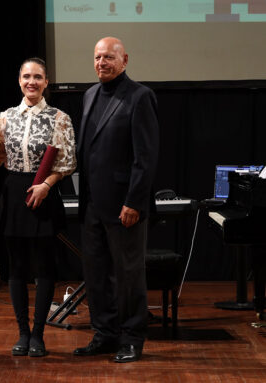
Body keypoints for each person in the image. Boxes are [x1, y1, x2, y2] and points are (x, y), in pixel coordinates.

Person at [73, 37, 159, 362]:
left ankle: (132, 338)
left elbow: (145, 157)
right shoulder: (90, 95)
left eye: (109, 57)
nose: (101, 63)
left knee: (128, 275)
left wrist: (134, 202)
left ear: (125, 60)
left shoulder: (139, 97)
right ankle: (105, 334)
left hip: (125, 206)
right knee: (95, 274)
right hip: (92, 204)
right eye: (97, 57)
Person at [0, 58, 76, 357]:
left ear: (46, 82)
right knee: (16, 269)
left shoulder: (59, 118)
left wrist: (47, 184)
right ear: (19, 80)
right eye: (26, 76)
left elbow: (66, 162)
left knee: (43, 267)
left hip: (44, 192)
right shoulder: (5, 117)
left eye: (37, 77)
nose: (32, 82)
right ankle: (22, 333)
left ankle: (39, 335)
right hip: (14, 192)